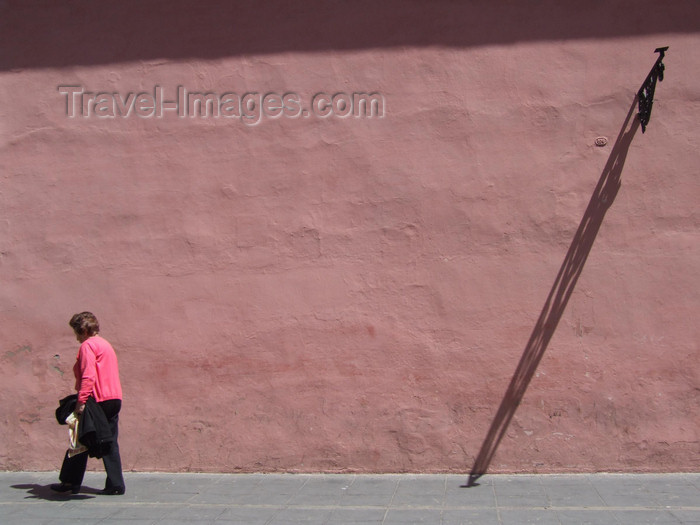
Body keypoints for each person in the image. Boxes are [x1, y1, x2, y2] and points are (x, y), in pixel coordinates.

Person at [51, 312, 125, 495]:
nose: (75, 337)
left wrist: (81, 401)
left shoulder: (87, 346)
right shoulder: (105, 344)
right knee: (108, 440)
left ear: (82, 330)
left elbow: (88, 376)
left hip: (96, 399)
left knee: (79, 438)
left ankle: (70, 483)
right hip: (114, 398)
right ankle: (116, 484)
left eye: (76, 332)